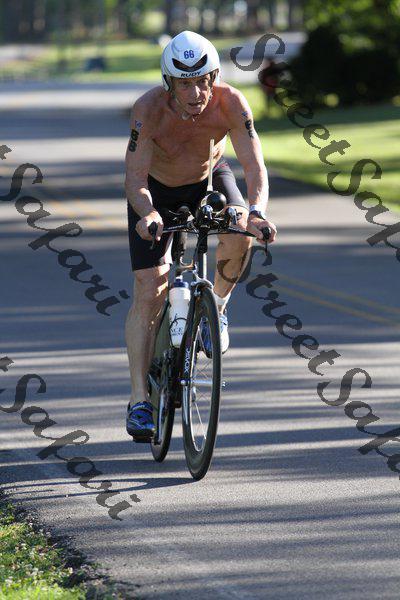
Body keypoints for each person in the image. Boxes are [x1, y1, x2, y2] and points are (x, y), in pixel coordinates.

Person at [125, 30, 277, 441]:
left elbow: (254, 167)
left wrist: (257, 212)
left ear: (214, 77)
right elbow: (135, 178)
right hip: (155, 192)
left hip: (209, 178)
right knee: (150, 288)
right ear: (168, 83)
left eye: (203, 81)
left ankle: (217, 309)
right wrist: (147, 213)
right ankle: (139, 401)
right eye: (185, 84)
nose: (196, 93)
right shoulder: (148, 110)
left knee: (241, 227)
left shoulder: (231, 103)